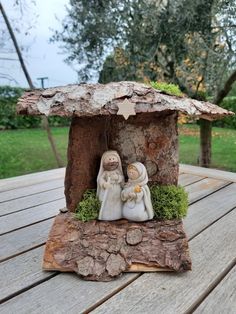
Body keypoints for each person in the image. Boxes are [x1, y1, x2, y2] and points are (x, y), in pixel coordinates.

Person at [97, 150, 124, 220]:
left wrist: (118, 178)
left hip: (116, 190)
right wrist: (104, 184)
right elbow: (100, 179)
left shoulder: (118, 172)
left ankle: (118, 214)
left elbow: (122, 178)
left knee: (117, 202)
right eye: (109, 159)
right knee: (107, 203)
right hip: (107, 191)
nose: (111, 161)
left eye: (113, 159)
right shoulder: (105, 173)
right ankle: (106, 215)